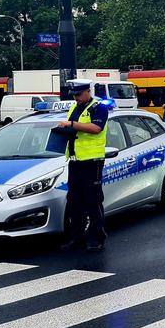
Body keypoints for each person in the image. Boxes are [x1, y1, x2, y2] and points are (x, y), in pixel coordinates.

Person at [56, 79, 109, 252]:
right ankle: (76, 237)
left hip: (92, 161)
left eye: (78, 94)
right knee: (74, 201)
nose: (76, 98)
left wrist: (71, 124)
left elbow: (96, 128)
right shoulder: (74, 108)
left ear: (88, 91)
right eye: (74, 95)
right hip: (75, 160)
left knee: (92, 200)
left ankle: (97, 237)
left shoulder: (98, 108)